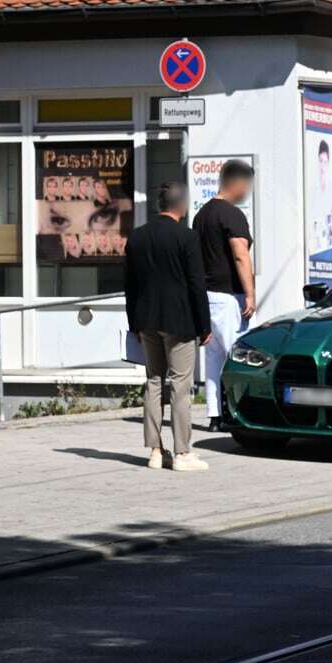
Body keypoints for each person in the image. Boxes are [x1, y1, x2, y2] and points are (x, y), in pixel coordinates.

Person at [124, 182, 211, 472]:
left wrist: (133, 323)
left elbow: (130, 286)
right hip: (180, 321)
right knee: (180, 386)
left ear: (159, 205)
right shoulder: (186, 238)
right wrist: (204, 324)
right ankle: (183, 452)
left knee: (153, 382)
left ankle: (155, 452)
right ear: (182, 206)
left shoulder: (137, 237)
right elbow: (197, 284)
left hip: (146, 320)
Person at [192, 159, 255, 433]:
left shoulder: (201, 215)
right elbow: (240, 255)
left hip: (206, 295)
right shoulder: (231, 215)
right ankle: (237, 412)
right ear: (238, 183)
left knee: (214, 357)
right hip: (229, 297)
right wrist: (250, 294)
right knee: (238, 356)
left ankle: (215, 415)